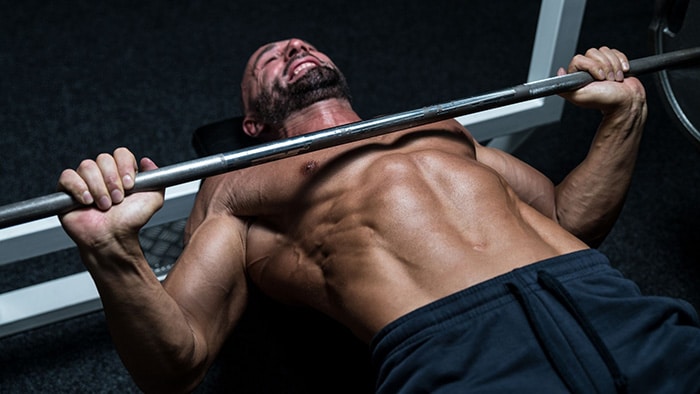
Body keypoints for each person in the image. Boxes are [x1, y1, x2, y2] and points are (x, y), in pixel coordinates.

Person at [58, 38, 700, 393]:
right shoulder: (238, 183)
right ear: (252, 123)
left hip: (614, 303)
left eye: (301, 45)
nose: (293, 48)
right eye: (271, 61)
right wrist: (114, 254)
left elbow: (566, 218)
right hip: (459, 351)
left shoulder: (438, 128)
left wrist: (624, 118)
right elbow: (179, 359)